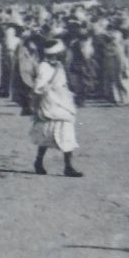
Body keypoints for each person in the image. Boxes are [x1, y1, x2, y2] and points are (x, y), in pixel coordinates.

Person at [30, 40, 82, 177]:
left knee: (66, 132)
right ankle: (39, 161)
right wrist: (50, 90)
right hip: (51, 102)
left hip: (62, 101)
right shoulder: (44, 67)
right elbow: (38, 87)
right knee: (46, 133)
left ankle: (68, 166)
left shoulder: (59, 65)